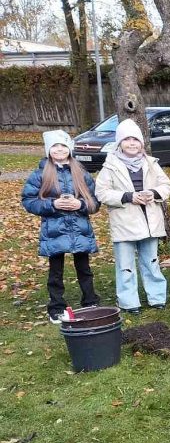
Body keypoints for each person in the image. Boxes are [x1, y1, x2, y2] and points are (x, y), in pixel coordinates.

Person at [94, 119, 170, 314]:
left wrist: (153, 193)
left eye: (135, 139)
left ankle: (157, 298)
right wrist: (128, 197)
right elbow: (101, 192)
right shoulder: (110, 166)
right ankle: (129, 302)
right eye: (127, 139)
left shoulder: (151, 163)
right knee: (125, 266)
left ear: (141, 143)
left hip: (150, 222)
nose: (132, 143)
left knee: (151, 261)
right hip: (125, 222)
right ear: (119, 143)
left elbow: (166, 186)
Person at [21, 130, 100, 323]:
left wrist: (80, 205)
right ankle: (56, 307)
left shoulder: (81, 173)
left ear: (69, 149)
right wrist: (52, 204)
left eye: (63, 146)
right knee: (56, 271)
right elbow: (28, 200)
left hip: (79, 228)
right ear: (48, 150)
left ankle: (90, 301)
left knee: (84, 268)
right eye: (54, 146)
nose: (59, 149)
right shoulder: (40, 174)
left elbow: (95, 201)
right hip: (54, 229)